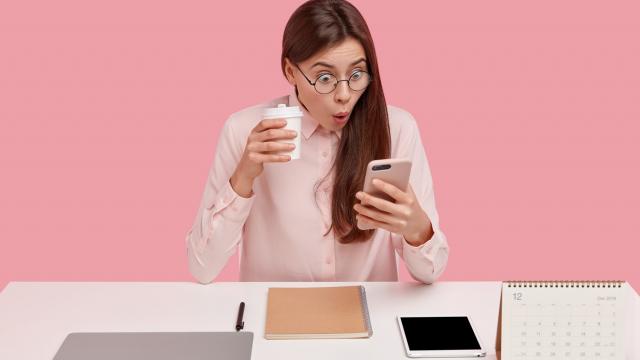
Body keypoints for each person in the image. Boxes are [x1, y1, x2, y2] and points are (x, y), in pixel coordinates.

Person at [185, 0, 449, 284]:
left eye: (357, 74)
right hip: (274, 318)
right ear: (290, 72)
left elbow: (430, 272)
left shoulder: (396, 129)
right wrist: (243, 176)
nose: (344, 95)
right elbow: (203, 267)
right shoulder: (244, 130)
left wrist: (417, 228)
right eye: (325, 78)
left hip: (370, 319)